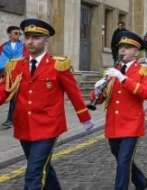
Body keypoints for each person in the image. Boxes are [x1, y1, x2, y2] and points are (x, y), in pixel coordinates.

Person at [0, 18, 94, 189]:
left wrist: (84, 118)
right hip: (24, 126)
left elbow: (74, 93)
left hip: (48, 126)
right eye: (27, 37)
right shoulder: (15, 66)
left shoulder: (58, 65)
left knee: (34, 173)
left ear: (45, 40)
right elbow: (4, 90)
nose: (30, 41)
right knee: (43, 167)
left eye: (36, 37)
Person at [91, 31, 147, 190]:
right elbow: (100, 99)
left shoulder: (143, 70)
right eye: (121, 47)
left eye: (127, 48)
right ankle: (141, 181)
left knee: (124, 160)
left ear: (136, 51)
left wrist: (123, 78)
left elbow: (146, 93)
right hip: (113, 124)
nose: (122, 51)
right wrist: (97, 89)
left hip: (131, 124)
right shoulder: (114, 70)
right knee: (121, 158)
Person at [0, 25, 24, 129]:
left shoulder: (24, 46)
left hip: (20, 76)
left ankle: (11, 120)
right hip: (7, 75)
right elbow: (1, 59)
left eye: (19, 33)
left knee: (15, 99)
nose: (18, 35)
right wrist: (4, 69)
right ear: (9, 34)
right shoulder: (4, 46)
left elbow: (25, 59)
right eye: (16, 33)